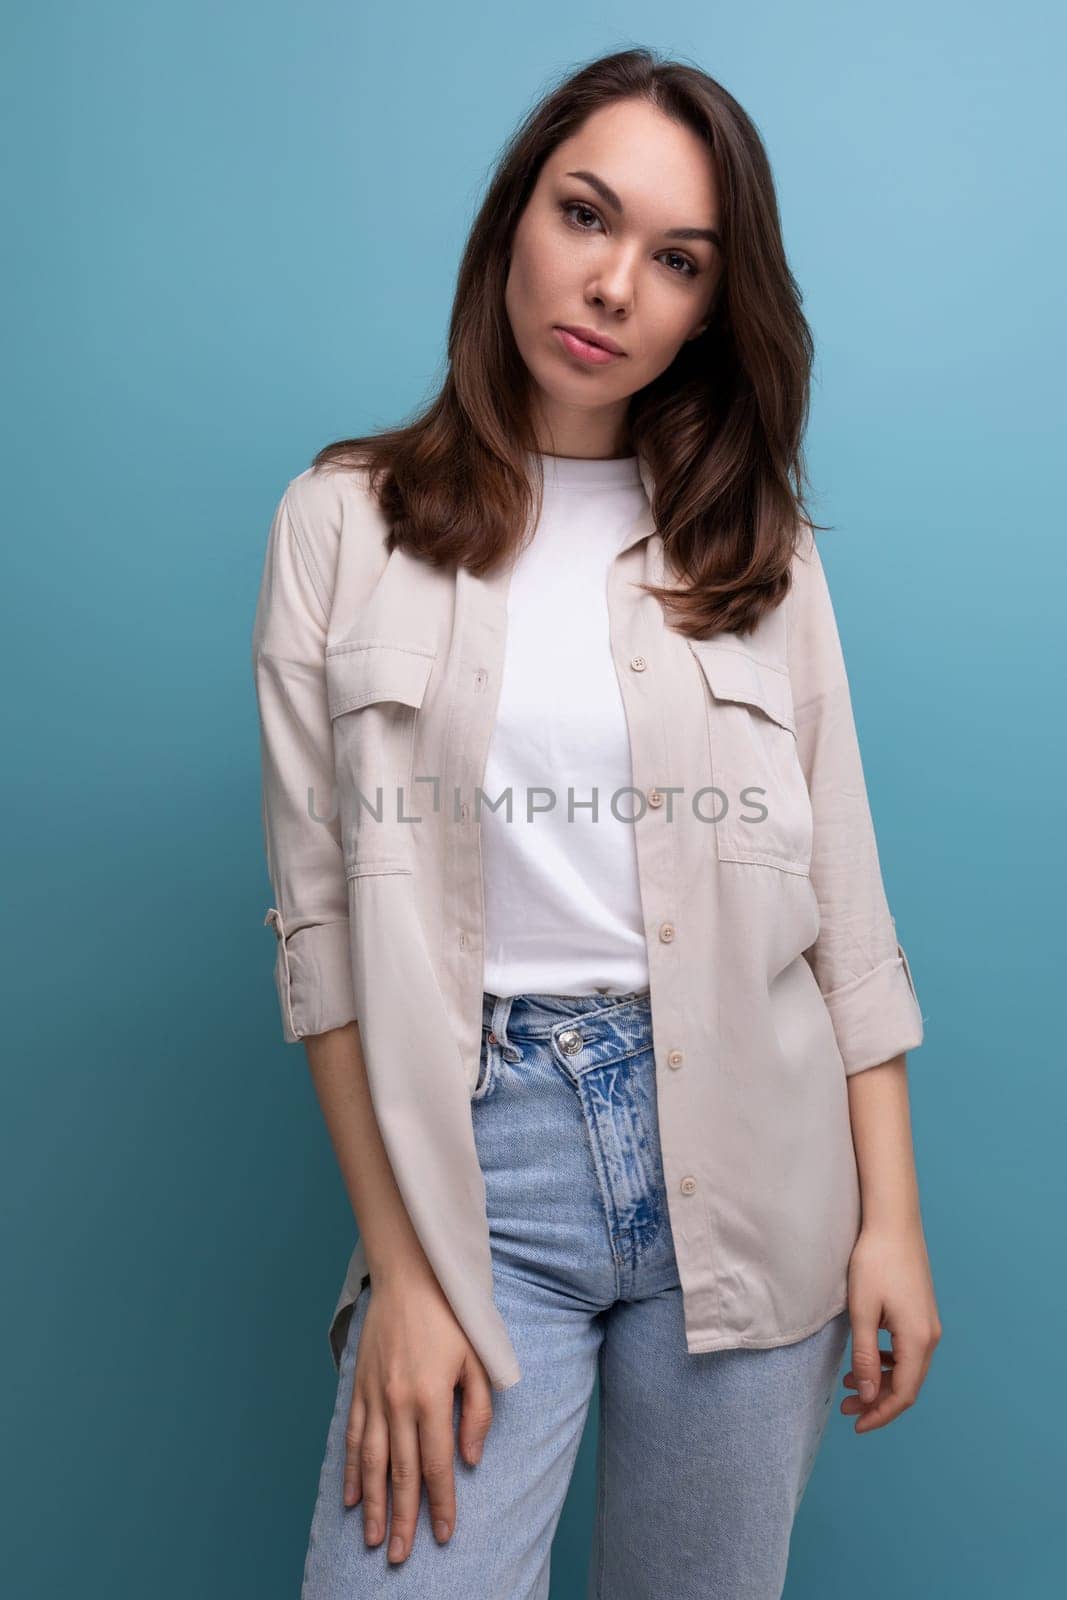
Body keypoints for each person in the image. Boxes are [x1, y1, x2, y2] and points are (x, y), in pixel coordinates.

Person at [251, 47, 942, 1600]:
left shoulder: (763, 554)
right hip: (478, 1170)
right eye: (587, 214)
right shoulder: (336, 529)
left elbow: (848, 904)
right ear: (518, 218)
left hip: (758, 1174)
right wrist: (407, 1272)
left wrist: (889, 1220)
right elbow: (323, 947)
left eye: (678, 260)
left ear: (709, 306)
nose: (615, 282)